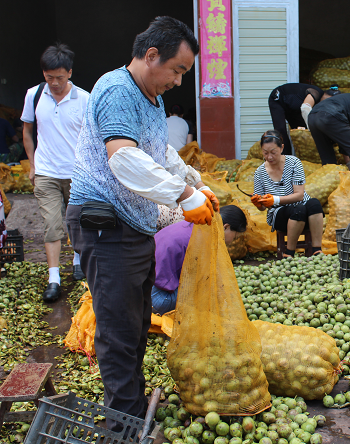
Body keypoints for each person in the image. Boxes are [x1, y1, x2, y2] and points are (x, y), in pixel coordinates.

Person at [65, 16, 216, 430]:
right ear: (151, 56)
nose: (179, 81)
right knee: (117, 330)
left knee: (134, 322)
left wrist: (194, 183)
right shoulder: (116, 90)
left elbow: (159, 152)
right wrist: (184, 198)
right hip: (105, 224)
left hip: (132, 226)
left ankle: (132, 410)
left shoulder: (151, 98)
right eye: (177, 70)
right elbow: (124, 159)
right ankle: (123, 428)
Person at [21, 43, 90, 299]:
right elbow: (27, 131)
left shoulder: (84, 99)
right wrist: (32, 163)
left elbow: (92, 138)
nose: (55, 83)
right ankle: (53, 279)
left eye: (60, 78)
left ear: (69, 73)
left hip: (77, 174)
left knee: (77, 223)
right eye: (49, 78)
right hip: (46, 172)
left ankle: (76, 262)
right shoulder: (35, 95)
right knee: (51, 225)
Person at [151, 205, 247, 314]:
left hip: (139, 289)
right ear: (226, 227)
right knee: (208, 291)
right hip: (156, 299)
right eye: (235, 237)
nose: (232, 242)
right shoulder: (203, 240)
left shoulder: (193, 224)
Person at [252, 130, 323, 258]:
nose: (269, 157)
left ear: (282, 148)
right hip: (280, 214)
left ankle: (317, 250)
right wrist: (258, 203)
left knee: (314, 204)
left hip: (303, 211)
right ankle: (289, 253)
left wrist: (275, 199)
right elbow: (262, 207)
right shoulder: (259, 173)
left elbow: (299, 195)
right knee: (298, 210)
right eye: (265, 153)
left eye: (273, 152)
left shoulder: (294, 163)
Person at [268, 83, 324, 156]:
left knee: (300, 131)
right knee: (281, 130)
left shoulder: (321, 104)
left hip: (293, 107)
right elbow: (305, 108)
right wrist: (312, 128)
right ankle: (286, 159)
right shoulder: (317, 92)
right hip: (278, 99)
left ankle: (300, 158)